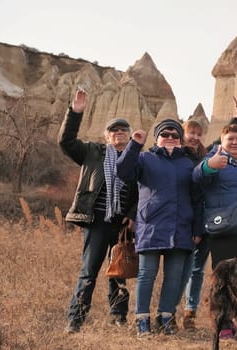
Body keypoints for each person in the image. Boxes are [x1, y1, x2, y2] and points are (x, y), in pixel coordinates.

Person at [59, 89, 138, 334]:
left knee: (119, 271)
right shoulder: (92, 152)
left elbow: (142, 191)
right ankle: (75, 319)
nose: (119, 133)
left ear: (129, 135)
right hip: (96, 221)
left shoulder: (137, 159)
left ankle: (118, 316)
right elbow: (66, 142)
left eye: (123, 129)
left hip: (121, 225)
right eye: (114, 130)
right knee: (89, 272)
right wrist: (75, 113)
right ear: (107, 135)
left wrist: (133, 215)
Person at [116, 119, 195, 336]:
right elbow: (123, 172)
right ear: (157, 137)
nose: (170, 138)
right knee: (146, 274)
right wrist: (134, 145)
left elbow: (196, 196)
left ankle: (166, 316)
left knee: (174, 276)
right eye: (165, 134)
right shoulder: (144, 158)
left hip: (180, 226)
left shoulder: (188, 164)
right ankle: (142, 319)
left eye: (174, 135)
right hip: (151, 225)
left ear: (180, 140)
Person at [192, 123, 237, 339]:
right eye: (229, 139)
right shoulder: (215, 159)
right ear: (221, 142)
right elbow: (197, 177)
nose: (234, 142)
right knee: (223, 280)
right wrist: (209, 166)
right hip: (224, 228)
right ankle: (222, 324)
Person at [179, 120, 209, 330]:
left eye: (199, 134)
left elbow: (227, 143)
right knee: (180, 269)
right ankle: (168, 311)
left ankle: (190, 312)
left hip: (204, 221)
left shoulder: (205, 157)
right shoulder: (178, 157)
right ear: (183, 133)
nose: (195, 137)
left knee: (197, 269)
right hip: (184, 220)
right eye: (191, 133)